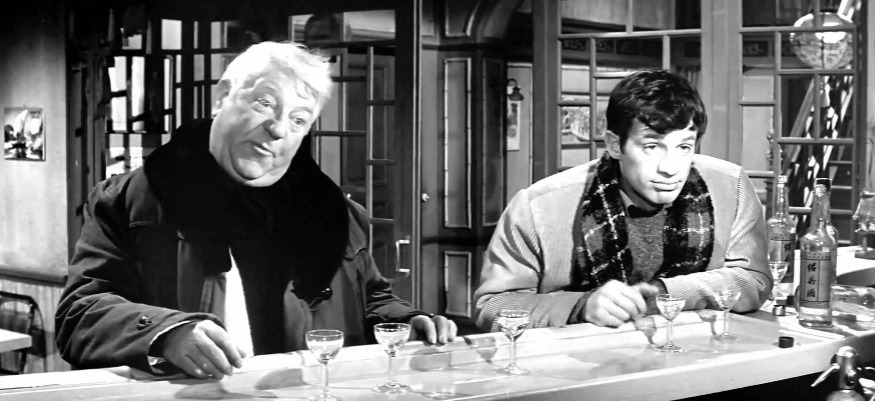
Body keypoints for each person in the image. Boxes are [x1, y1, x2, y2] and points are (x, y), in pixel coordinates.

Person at [56, 41, 457, 380]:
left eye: (298, 120)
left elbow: (371, 299)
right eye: (265, 103)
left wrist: (405, 321)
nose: (279, 129)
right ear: (222, 96)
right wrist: (166, 333)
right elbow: (80, 315)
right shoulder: (127, 200)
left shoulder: (336, 212)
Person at [474, 69, 770, 331]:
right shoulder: (538, 207)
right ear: (615, 145)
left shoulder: (730, 186)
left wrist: (663, 293)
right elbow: (492, 307)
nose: (670, 168)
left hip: (697, 357)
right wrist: (581, 306)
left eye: (683, 147)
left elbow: (753, 281)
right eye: (652, 146)